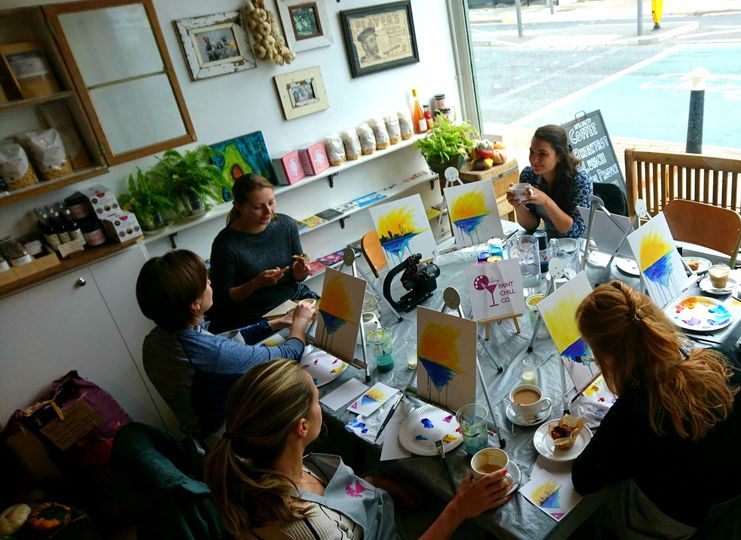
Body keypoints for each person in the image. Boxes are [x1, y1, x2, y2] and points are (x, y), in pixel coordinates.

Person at [205, 359, 513, 539]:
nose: (320, 405)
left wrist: (375, 484)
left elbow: (327, 491)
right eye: (316, 398)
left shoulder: (268, 463)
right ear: (301, 427)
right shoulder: (312, 528)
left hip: (378, 509)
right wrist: (459, 508)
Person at [572, 281, 741, 536]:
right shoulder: (721, 360)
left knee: (593, 514)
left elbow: (584, 479)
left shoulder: (637, 409)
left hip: (687, 521)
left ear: (607, 357)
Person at [137, 250, 316, 446]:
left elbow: (222, 342)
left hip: (199, 430)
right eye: (206, 282)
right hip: (225, 440)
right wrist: (299, 322)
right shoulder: (208, 352)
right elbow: (288, 355)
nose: (210, 283)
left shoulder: (156, 339)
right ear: (195, 305)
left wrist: (276, 323)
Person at [208, 173, 317, 333]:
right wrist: (255, 283)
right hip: (253, 316)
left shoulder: (286, 225)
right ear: (239, 206)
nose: (268, 211)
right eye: (258, 207)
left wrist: (300, 273)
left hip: (293, 300)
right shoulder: (225, 244)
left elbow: (297, 277)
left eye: (271, 202)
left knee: (335, 323)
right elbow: (222, 299)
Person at [507, 125, 592, 239]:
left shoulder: (580, 180)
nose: (534, 159)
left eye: (542, 154)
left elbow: (575, 231)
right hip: (551, 241)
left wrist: (546, 201)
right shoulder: (529, 175)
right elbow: (531, 225)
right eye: (532, 152)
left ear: (560, 156)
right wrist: (518, 205)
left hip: (580, 245)